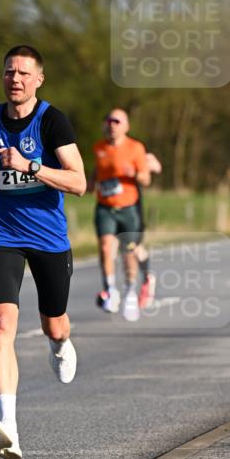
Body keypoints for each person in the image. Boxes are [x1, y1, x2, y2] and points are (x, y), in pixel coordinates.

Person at [0, 45, 86, 459]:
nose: (15, 78)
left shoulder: (53, 122)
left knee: (54, 325)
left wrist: (30, 166)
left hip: (49, 238)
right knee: (2, 325)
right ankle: (8, 427)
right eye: (9, 72)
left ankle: (60, 344)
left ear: (38, 80)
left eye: (23, 73)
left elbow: (79, 182)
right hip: (4, 235)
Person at [90, 109, 150, 322]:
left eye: (117, 121)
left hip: (128, 208)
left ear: (126, 126)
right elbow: (97, 173)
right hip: (105, 207)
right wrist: (87, 184)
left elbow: (146, 179)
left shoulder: (135, 148)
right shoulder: (99, 148)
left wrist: (133, 173)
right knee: (106, 247)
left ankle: (131, 292)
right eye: (109, 120)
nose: (112, 124)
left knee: (128, 253)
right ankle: (110, 290)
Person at [135, 150, 162, 309]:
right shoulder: (104, 150)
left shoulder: (135, 150)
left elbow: (157, 167)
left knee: (134, 248)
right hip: (110, 208)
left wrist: (138, 167)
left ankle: (147, 278)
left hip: (132, 209)